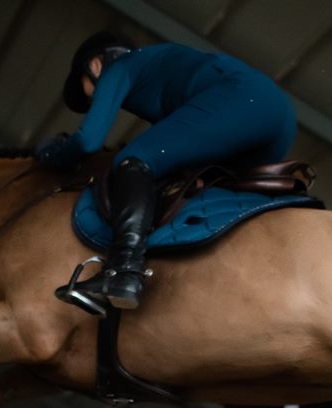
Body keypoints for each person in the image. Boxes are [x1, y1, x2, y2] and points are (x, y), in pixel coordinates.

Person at [36, 32, 297, 313]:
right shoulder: (159, 69)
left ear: (96, 64)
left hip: (242, 99)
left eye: (85, 89)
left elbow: (89, 140)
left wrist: (53, 153)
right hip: (278, 119)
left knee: (134, 161)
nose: (90, 100)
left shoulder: (120, 67)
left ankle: (123, 271)